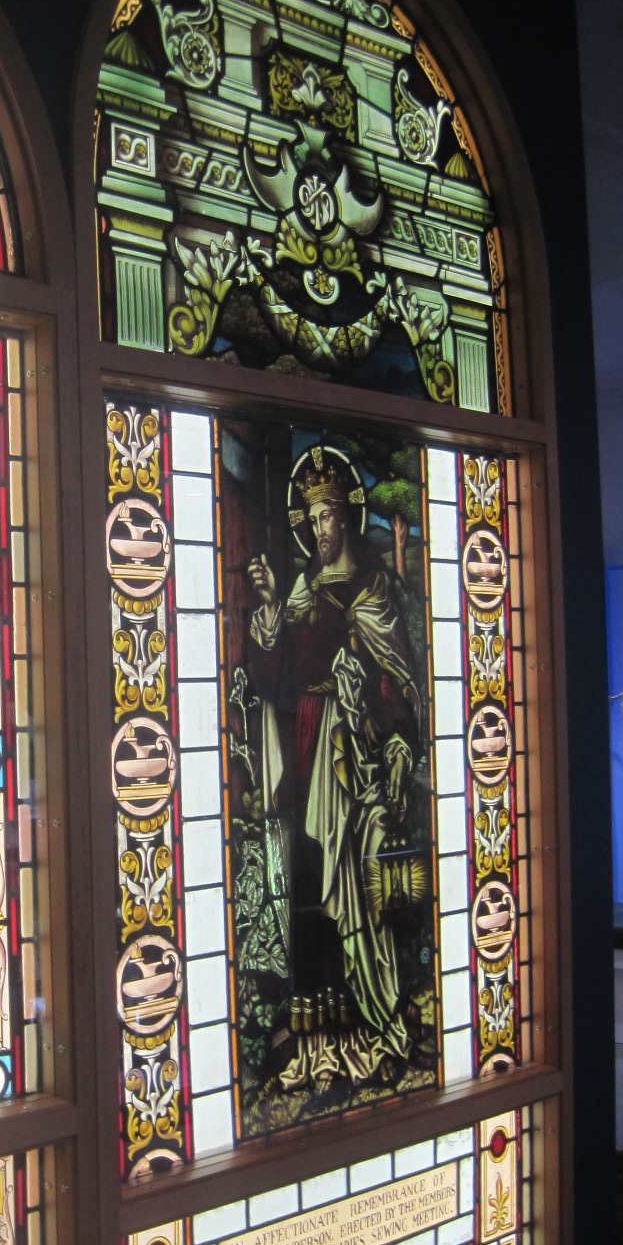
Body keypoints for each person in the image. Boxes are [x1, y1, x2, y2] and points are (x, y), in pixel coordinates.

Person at [247, 454, 421, 1091]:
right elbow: (276, 681)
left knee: (354, 877)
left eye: (327, 516)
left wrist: (397, 742)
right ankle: (315, 1035)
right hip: (306, 740)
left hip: (353, 752)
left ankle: (370, 1018)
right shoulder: (302, 590)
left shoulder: (374, 588)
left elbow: (395, 678)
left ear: (346, 517)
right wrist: (272, 611)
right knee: (309, 876)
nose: (320, 529)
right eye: (312, 519)